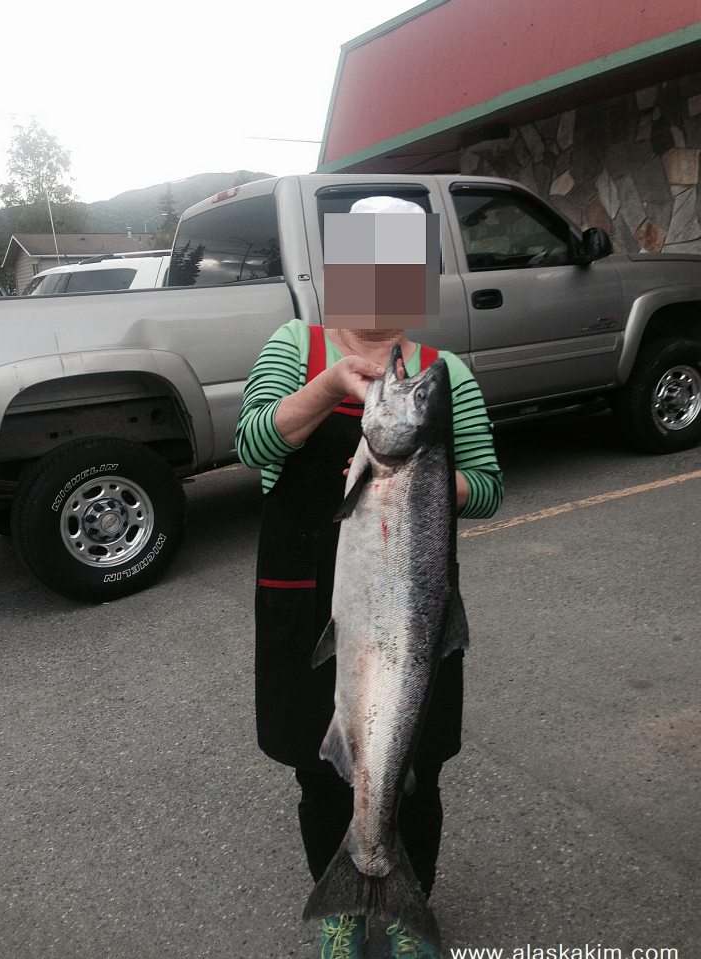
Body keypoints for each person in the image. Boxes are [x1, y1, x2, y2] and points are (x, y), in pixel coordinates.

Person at [236, 205, 503, 959]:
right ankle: (342, 911)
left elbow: (488, 487)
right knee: (319, 768)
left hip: (413, 611)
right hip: (307, 601)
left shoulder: (446, 372)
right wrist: (326, 388)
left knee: (416, 764)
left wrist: (426, 480)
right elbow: (252, 444)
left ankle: (406, 909)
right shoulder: (297, 346)